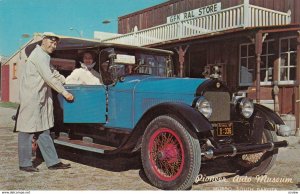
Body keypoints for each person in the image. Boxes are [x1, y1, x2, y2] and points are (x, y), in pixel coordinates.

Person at [16, 32, 74, 172]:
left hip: (40, 98)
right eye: (51, 42)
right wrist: (65, 92)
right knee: (26, 131)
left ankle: (53, 162)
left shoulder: (44, 56)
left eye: (55, 43)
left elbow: (53, 72)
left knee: (44, 130)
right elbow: (49, 77)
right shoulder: (39, 55)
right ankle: (24, 164)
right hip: (32, 98)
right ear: (44, 40)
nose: (53, 46)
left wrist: (68, 80)